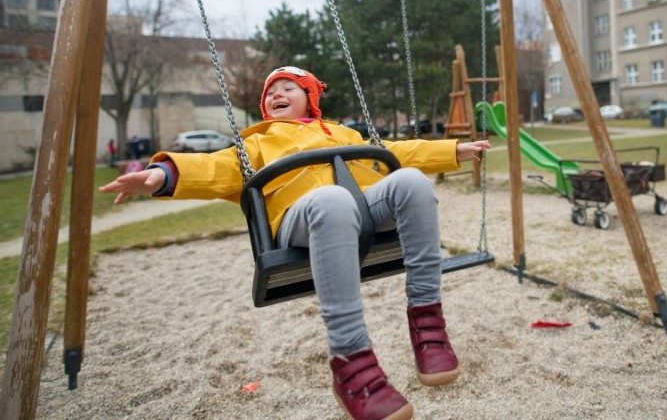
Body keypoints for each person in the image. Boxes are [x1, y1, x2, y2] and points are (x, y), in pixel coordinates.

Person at [99, 66, 491, 420]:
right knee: (332, 201)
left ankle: (427, 321)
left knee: (412, 182)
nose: (276, 94)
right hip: (299, 218)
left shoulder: (342, 134)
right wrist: (160, 175)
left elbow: (397, 152)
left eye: (288, 87)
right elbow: (212, 165)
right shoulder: (257, 143)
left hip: (361, 208)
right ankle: (350, 357)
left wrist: (453, 150)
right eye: (271, 92)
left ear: (311, 98)